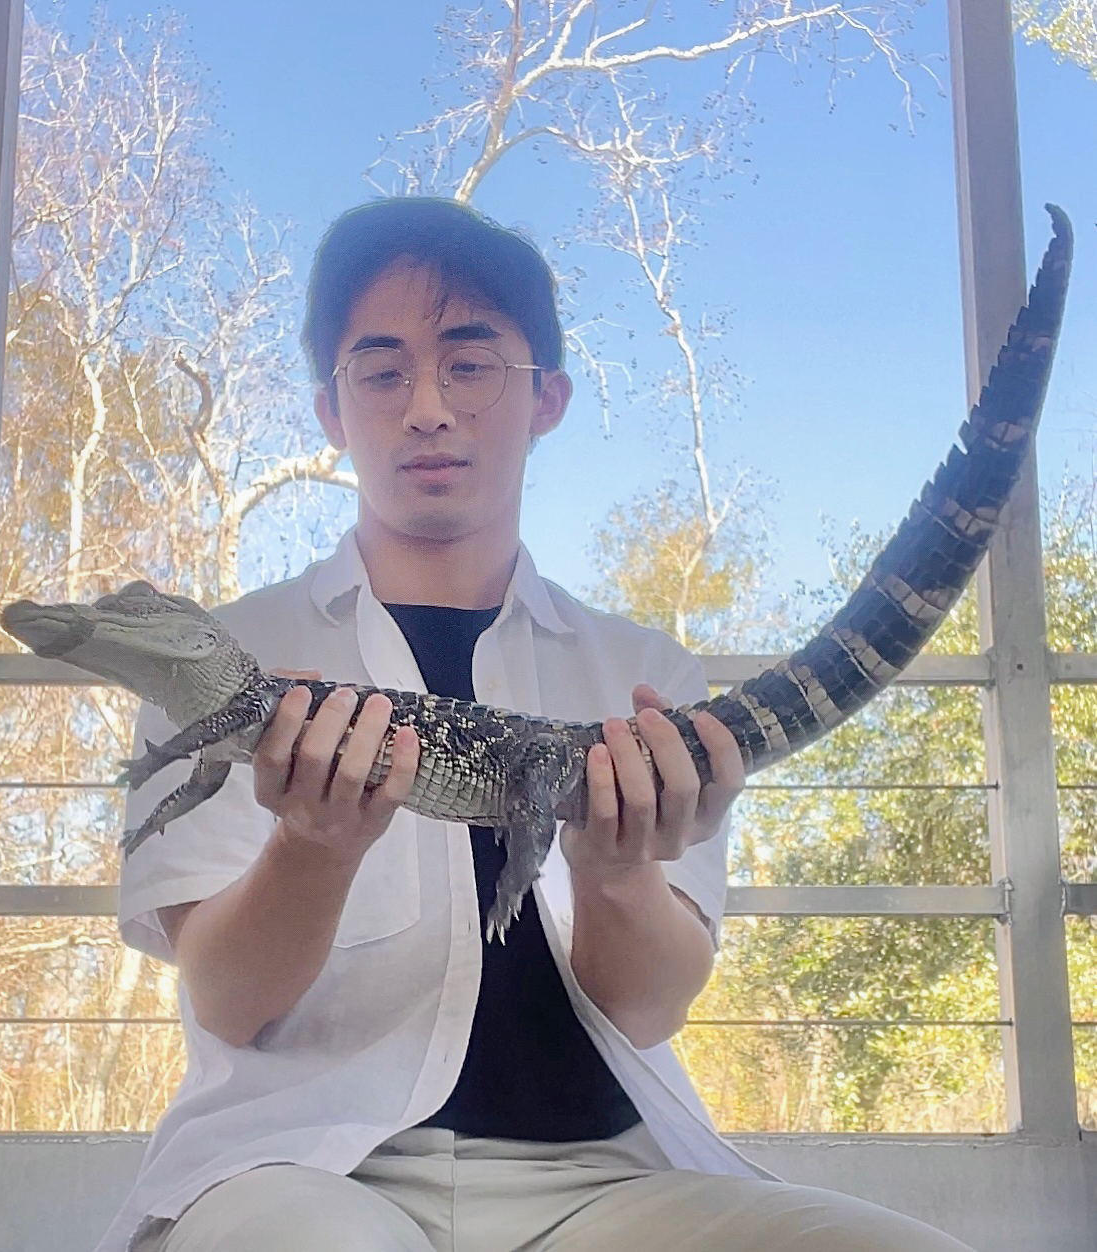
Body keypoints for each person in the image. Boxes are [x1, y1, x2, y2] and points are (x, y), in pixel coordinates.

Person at [97, 197, 974, 1252]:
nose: (427, 408)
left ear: (546, 396)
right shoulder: (222, 658)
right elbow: (228, 1001)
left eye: (470, 365)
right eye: (381, 371)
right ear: (331, 408)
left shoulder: (645, 676)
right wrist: (311, 848)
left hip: (606, 1182)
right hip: (298, 1166)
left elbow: (647, 1009)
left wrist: (615, 869)